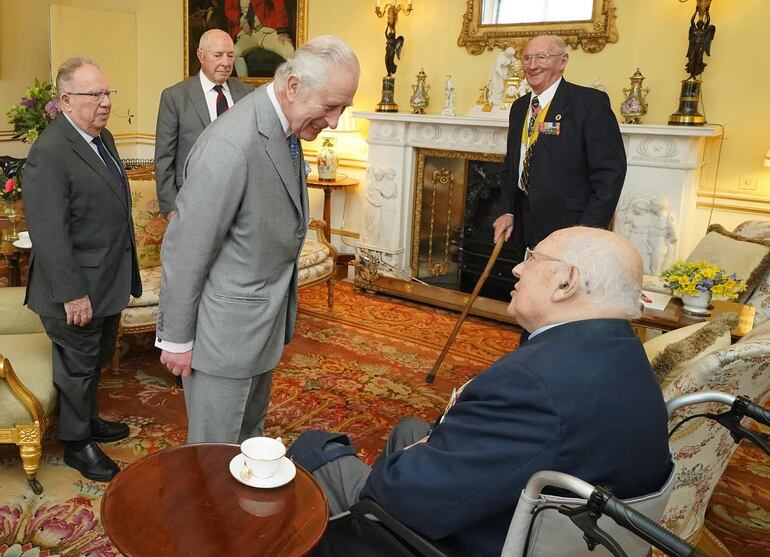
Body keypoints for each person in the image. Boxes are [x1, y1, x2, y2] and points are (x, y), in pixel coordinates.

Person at [292, 226, 672, 557]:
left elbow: (406, 496)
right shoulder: (625, 353)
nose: (517, 268)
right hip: (562, 524)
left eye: (532, 258)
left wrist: (411, 461)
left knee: (316, 448)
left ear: (566, 282)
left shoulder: (534, 384)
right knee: (409, 429)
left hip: (479, 541)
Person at [156, 35, 360, 443]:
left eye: (344, 107)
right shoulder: (231, 143)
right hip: (222, 341)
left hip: (257, 330)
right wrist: (176, 338)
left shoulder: (284, 126)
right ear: (293, 86)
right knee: (213, 458)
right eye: (330, 106)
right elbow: (187, 246)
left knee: (247, 446)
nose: (335, 121)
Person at [22, 57, 142, 482]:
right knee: (76, 367)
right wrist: (72, 293)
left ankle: (88, 422)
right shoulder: (50, 152)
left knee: (94, 360)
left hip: (106, 280)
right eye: (95, 95)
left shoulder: (101, 137)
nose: (106, 102)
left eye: (108, 93)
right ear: (67, 101)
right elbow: (49, 233)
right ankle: (77, 444)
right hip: (73, 287)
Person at [492, 35, 626, 262]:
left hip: (570, 228)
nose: (532, 65)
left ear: (562, 61)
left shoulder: (589, 104)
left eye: (541, 57)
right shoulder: (519, 107)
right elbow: (512, 165)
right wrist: (508, 210)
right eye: (527, 58)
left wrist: (586, 231)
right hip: (524, 225)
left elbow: (610, 174)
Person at [155, 28, 253, 218]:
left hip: (240, 202)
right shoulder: (175, 97)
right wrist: (170, 208)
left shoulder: (247, 94)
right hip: (192, 200)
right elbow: (164, 157)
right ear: (201, 55)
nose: (226, 63)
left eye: (230, 55)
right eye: (218, 55)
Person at [225, 0, 296, 77]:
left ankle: (288, 84)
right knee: (234, 54)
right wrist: (241, 20)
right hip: (248, 34)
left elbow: (279, 4)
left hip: (268, 31)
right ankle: (244, 84)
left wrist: (282, 31)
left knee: (290, 51)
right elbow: (229, 9)